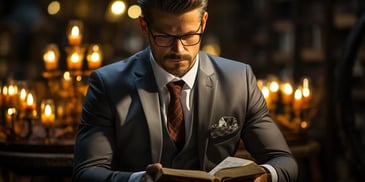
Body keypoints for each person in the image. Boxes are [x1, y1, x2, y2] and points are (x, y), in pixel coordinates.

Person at [72, 0, 298, 181]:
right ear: (144, 27)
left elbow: (283, 161)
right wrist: (138, 180)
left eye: (189, 36)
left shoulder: (239, 80)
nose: (179, 49)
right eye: (165, 37)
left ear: (204, 23)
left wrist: (266, 175)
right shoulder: (107, 84)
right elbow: (87, 172)